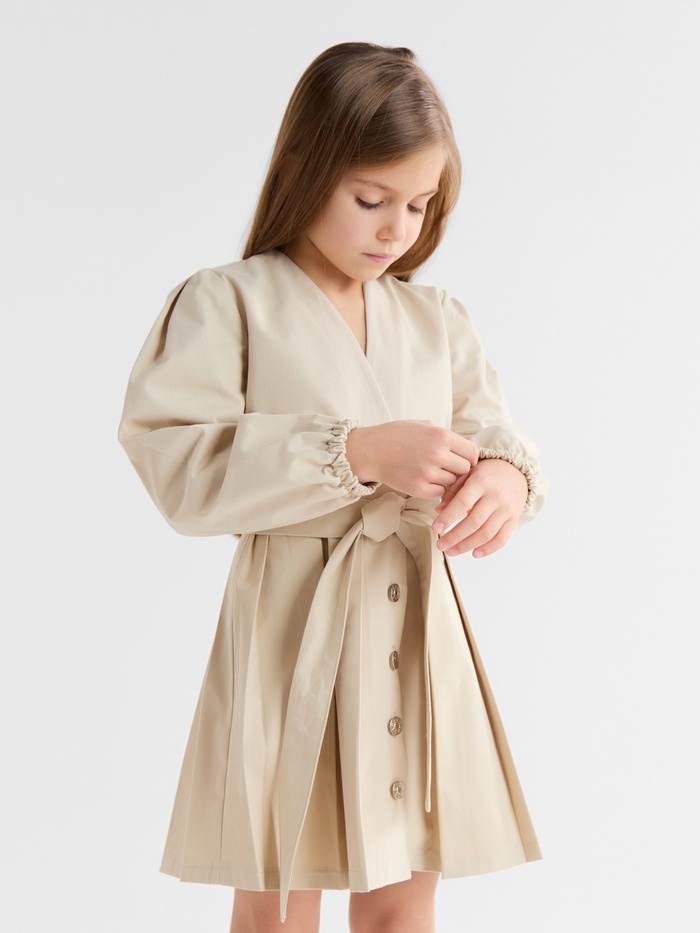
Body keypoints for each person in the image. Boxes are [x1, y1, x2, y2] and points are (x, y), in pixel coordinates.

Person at [118, 41, 547, 933]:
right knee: (280, 897)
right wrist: (353, 451)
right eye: (370, 199)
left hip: (416, 629)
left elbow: (489, 429)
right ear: (302, 169)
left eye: (419, 204)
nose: (397, 230)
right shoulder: (229, 302)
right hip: (290, 634)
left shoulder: (436, 318)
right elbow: (179, 462)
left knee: (405, 892)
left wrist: (506, 476)